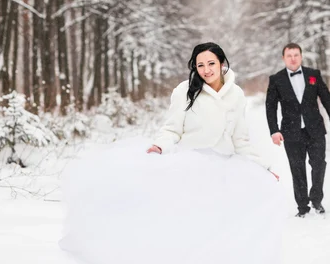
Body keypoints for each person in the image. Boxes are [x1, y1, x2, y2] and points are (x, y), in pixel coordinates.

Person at [60, 42, 287, 264]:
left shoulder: (236, 94)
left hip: (224, 167)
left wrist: (263, 167)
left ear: (222, 64)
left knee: (224, 226)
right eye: (200, 65)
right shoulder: (185, 91)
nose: (206, 70)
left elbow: (241, 139)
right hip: (192, 164)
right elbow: (172, 128)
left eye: (211, 63)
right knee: (189, 226)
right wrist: (160, 145)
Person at [265, 43, 330, 217]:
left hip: (315, 129)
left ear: (301, 56)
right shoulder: (276, 79)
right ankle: (302, 207)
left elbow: (327, 100)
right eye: (289, 56)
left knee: (318, 165)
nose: (293, 59)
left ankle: (316, 199)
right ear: (283, 58)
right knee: (297, 169)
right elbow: (270, 107)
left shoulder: (313, 75)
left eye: (296, 55)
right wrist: (274, 130)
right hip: (291, 132)